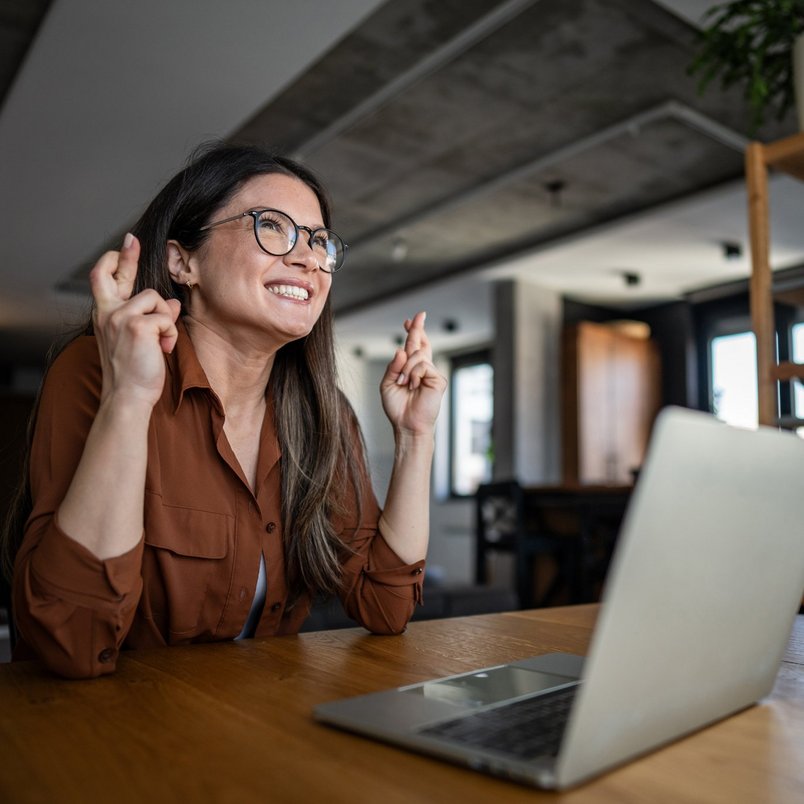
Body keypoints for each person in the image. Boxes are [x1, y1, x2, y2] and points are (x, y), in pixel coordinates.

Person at [1, 142, 446, 679]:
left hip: (250, 728)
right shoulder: (96, 369)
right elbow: (69, 639)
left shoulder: (322, 413)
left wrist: (416, 437)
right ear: (182, 261)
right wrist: (130, 398)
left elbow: (384, 606)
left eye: (320, 241)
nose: (309, 258)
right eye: (273, 227)